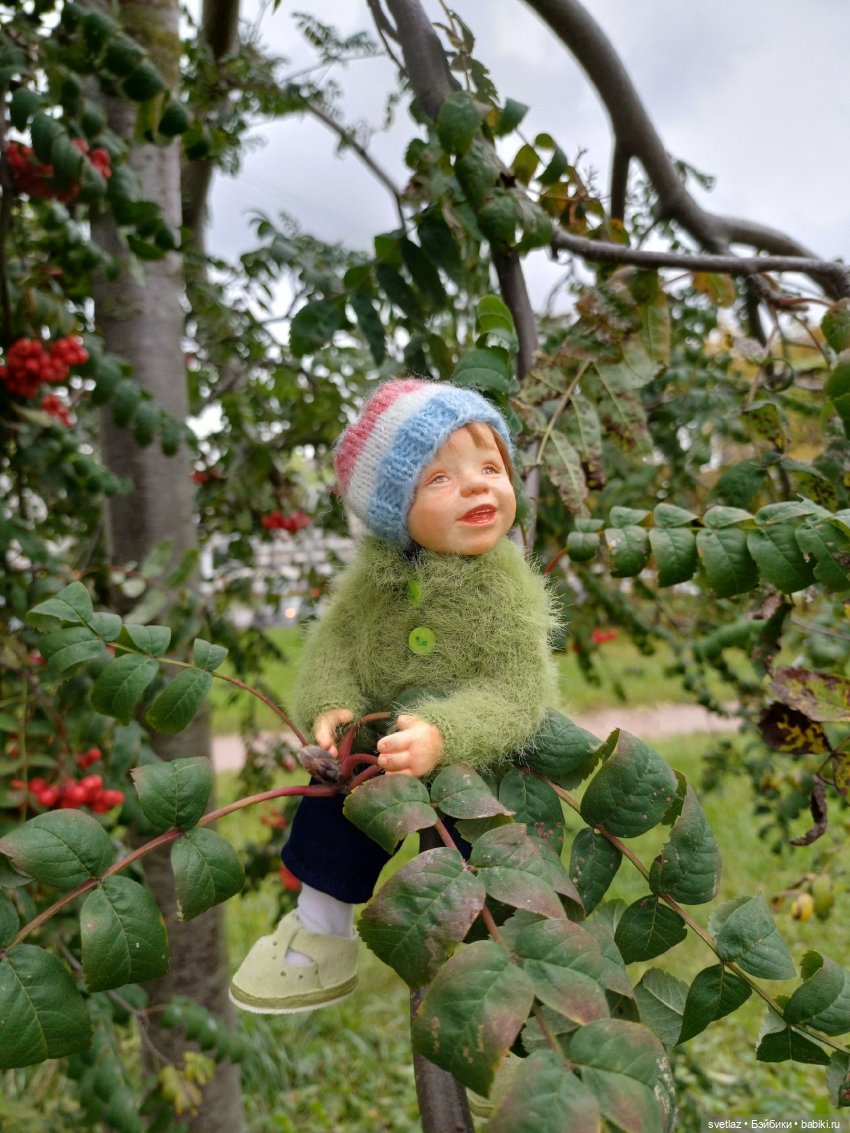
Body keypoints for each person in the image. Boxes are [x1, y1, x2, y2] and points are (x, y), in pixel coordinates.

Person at [229, 378, 560, 1014]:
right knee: (335, 806)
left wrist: (444, 734)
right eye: (439, 479)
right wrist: (330, 705)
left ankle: (499, 984)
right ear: (390, 510)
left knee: (483, 862)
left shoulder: (507, 590)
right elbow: (336, 645)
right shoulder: (370, 581)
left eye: (492, 467)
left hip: (476, 763)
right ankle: (319, 934)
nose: (477, 486)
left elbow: (519, 693)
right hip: (380, 749)